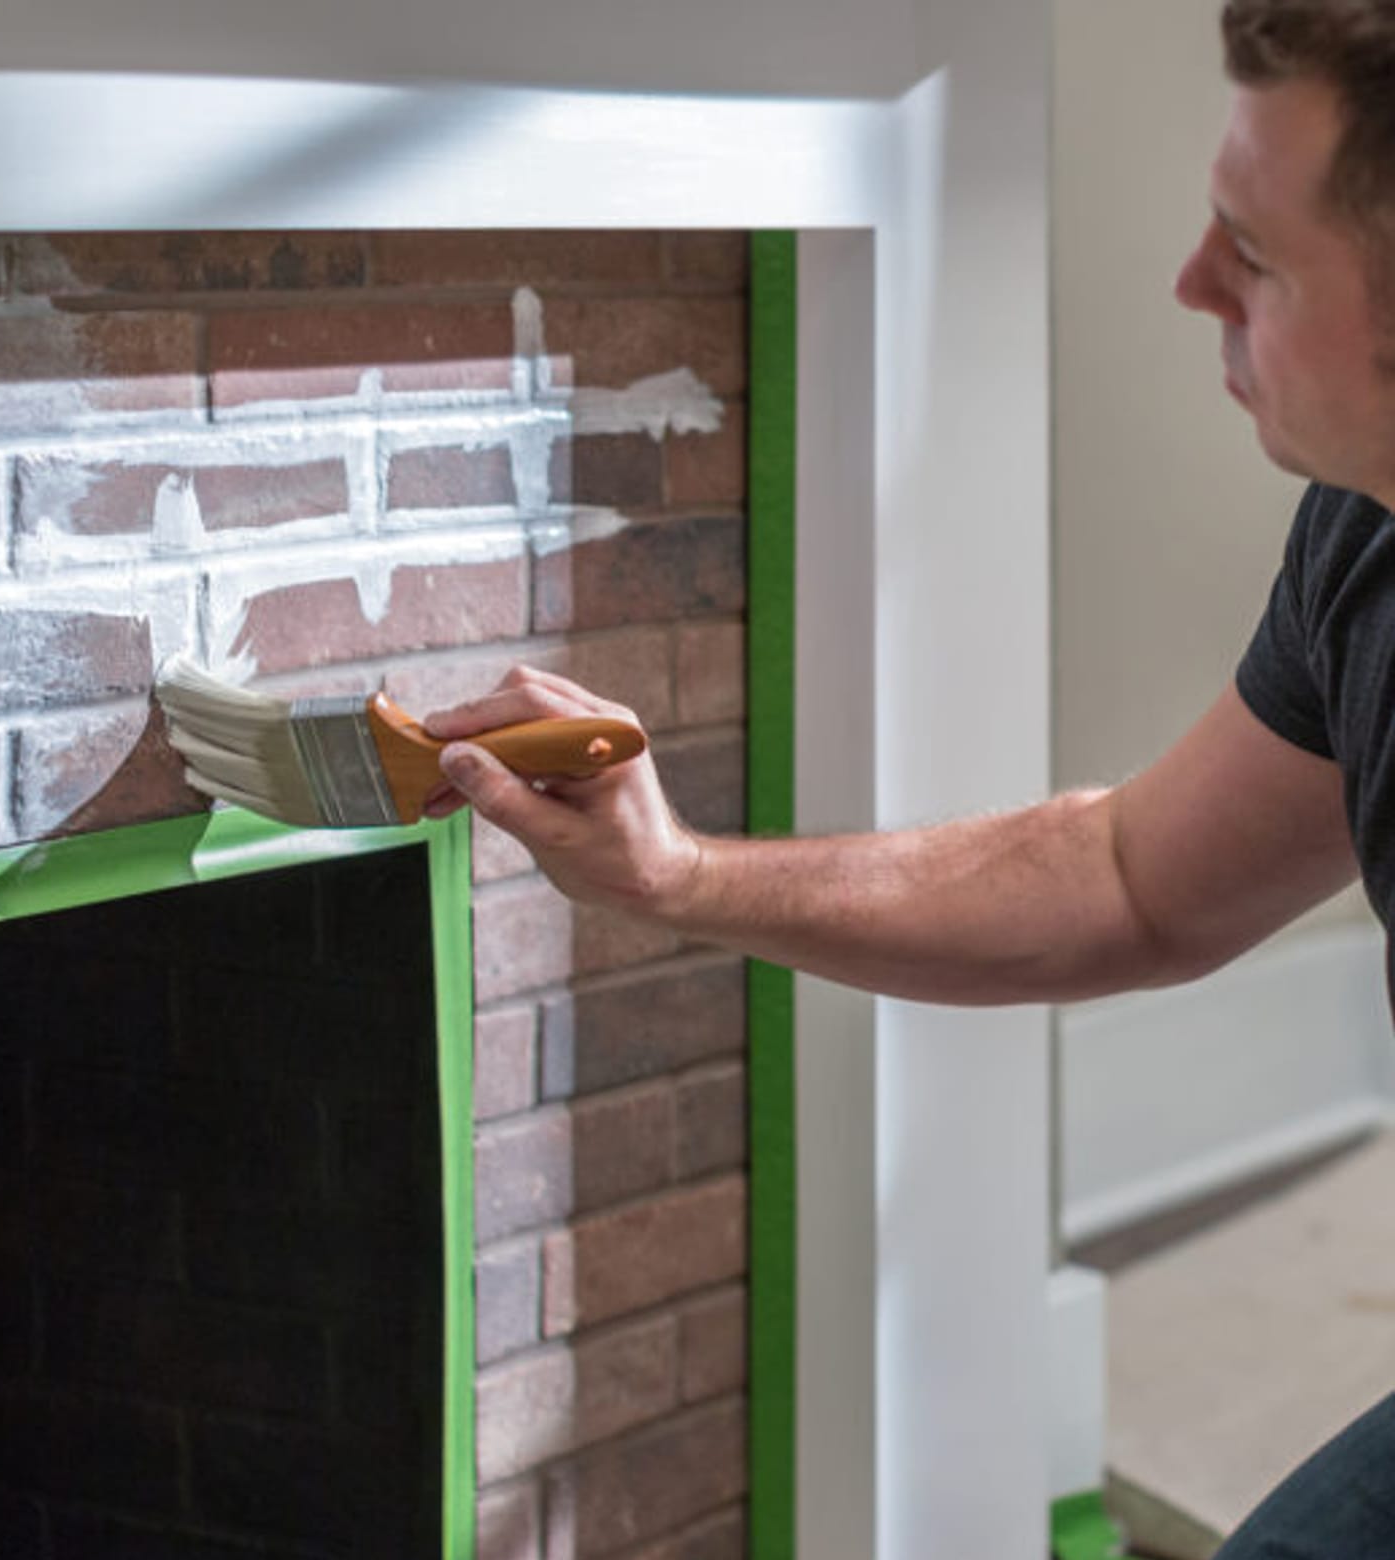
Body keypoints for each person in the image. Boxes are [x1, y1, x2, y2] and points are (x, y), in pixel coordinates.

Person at [423, 1, 1395, 1552]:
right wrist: (678, 870)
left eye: (1256, 257)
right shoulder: (1369, 534)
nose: (1189, 282)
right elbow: (1132, 879)